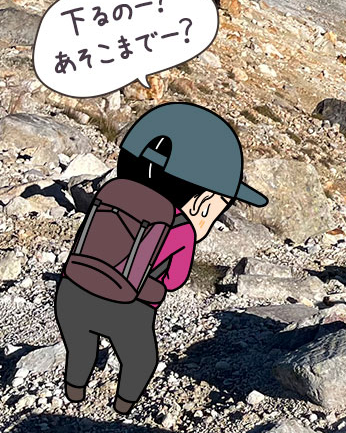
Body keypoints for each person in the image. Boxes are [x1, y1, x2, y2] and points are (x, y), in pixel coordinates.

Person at [54, 102, 267, 416]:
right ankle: (124, 405)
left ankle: (74, 387)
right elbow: (175, 278)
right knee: (141, 360)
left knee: (81, 344)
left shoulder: (112, 191)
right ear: (203, 203)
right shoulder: (181, 227)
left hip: (71, 290)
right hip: (126, 307)